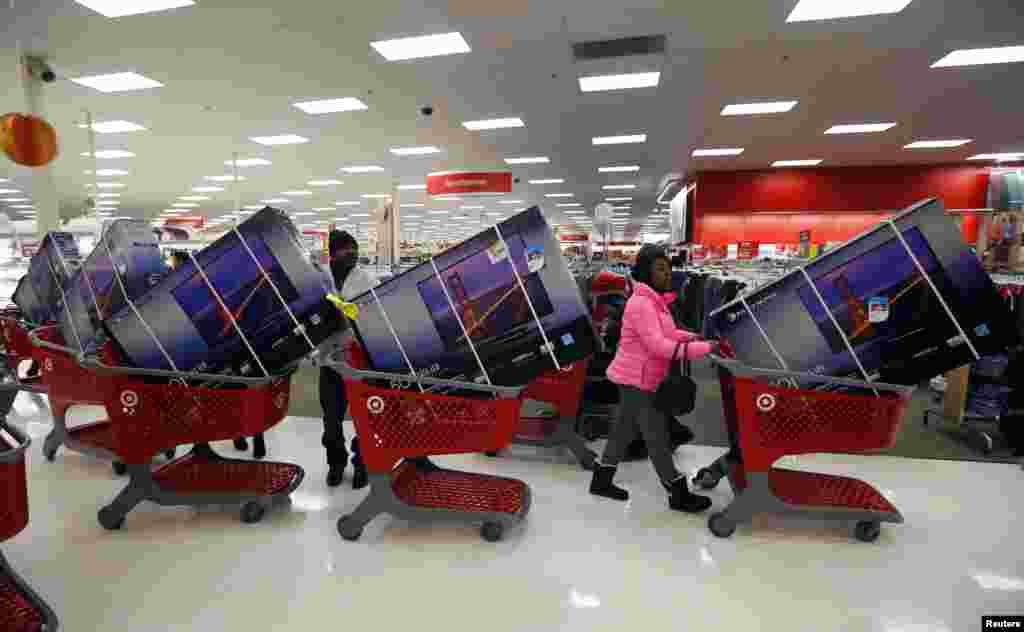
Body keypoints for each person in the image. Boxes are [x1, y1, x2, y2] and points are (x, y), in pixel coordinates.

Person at [589, 244, 716, 513]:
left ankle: (601, 480)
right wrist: (704, 349)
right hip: (639, 379)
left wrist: (694, 338)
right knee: (657, 436)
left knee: (624, 429)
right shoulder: (641, 303)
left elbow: (668, 334)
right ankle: (677, 493)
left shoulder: (652, 300)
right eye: (660, 268)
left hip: (636, 376)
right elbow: (658, 345)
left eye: (668, 268)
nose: (667, 273)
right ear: (645, 271)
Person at [169, 250, 266, 459]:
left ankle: (244, 436)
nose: (172, 270)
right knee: (242, 391)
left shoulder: (188, 288)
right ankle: (248, 437)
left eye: (175, 266)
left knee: (225, 392)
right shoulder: (208, 281)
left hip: (221, 346)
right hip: (236, 343)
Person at [320, 230, 376, 488]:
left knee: (363, 418)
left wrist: (348, 313)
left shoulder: (366, 278)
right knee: (331, 419)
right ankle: (336, 463)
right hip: (329, 361)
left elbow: (374, 314)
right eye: (346, 249)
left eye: (354, 248)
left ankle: (362, 464)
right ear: (332, 254)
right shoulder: (319, 278)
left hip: (358, 361)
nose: (352, 253)